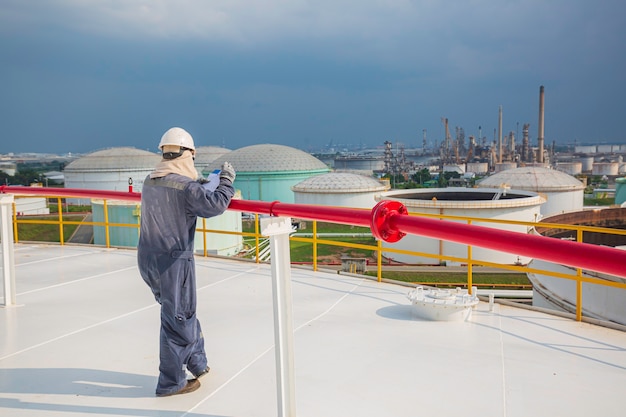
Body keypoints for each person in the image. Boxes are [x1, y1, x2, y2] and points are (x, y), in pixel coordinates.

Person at [137, 127, 236, 397]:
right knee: (177, 318)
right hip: (173, 262)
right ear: (188, 155)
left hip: (148, 258)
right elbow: (214, 205)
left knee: (181, 312)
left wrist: (201, 184)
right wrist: (225, 181)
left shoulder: (152, 179)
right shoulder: (185, 187)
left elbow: (184, 191)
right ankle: (171, 383)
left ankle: (197, 363)